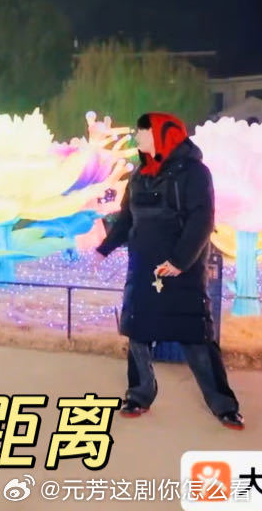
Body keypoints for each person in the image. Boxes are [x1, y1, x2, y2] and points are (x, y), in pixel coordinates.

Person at [96, 112, 243, 430]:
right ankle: (139, 395)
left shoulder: (194, 173)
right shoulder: (140, 174)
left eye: (143, 132)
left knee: (196, 338)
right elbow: (127, 218)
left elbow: (201, 219)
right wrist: (104, 248)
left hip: (180, 268)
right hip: (142, 266)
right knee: (138, 334)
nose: (138, 137)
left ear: (164, 135)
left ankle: (224, 405)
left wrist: (179, 261)